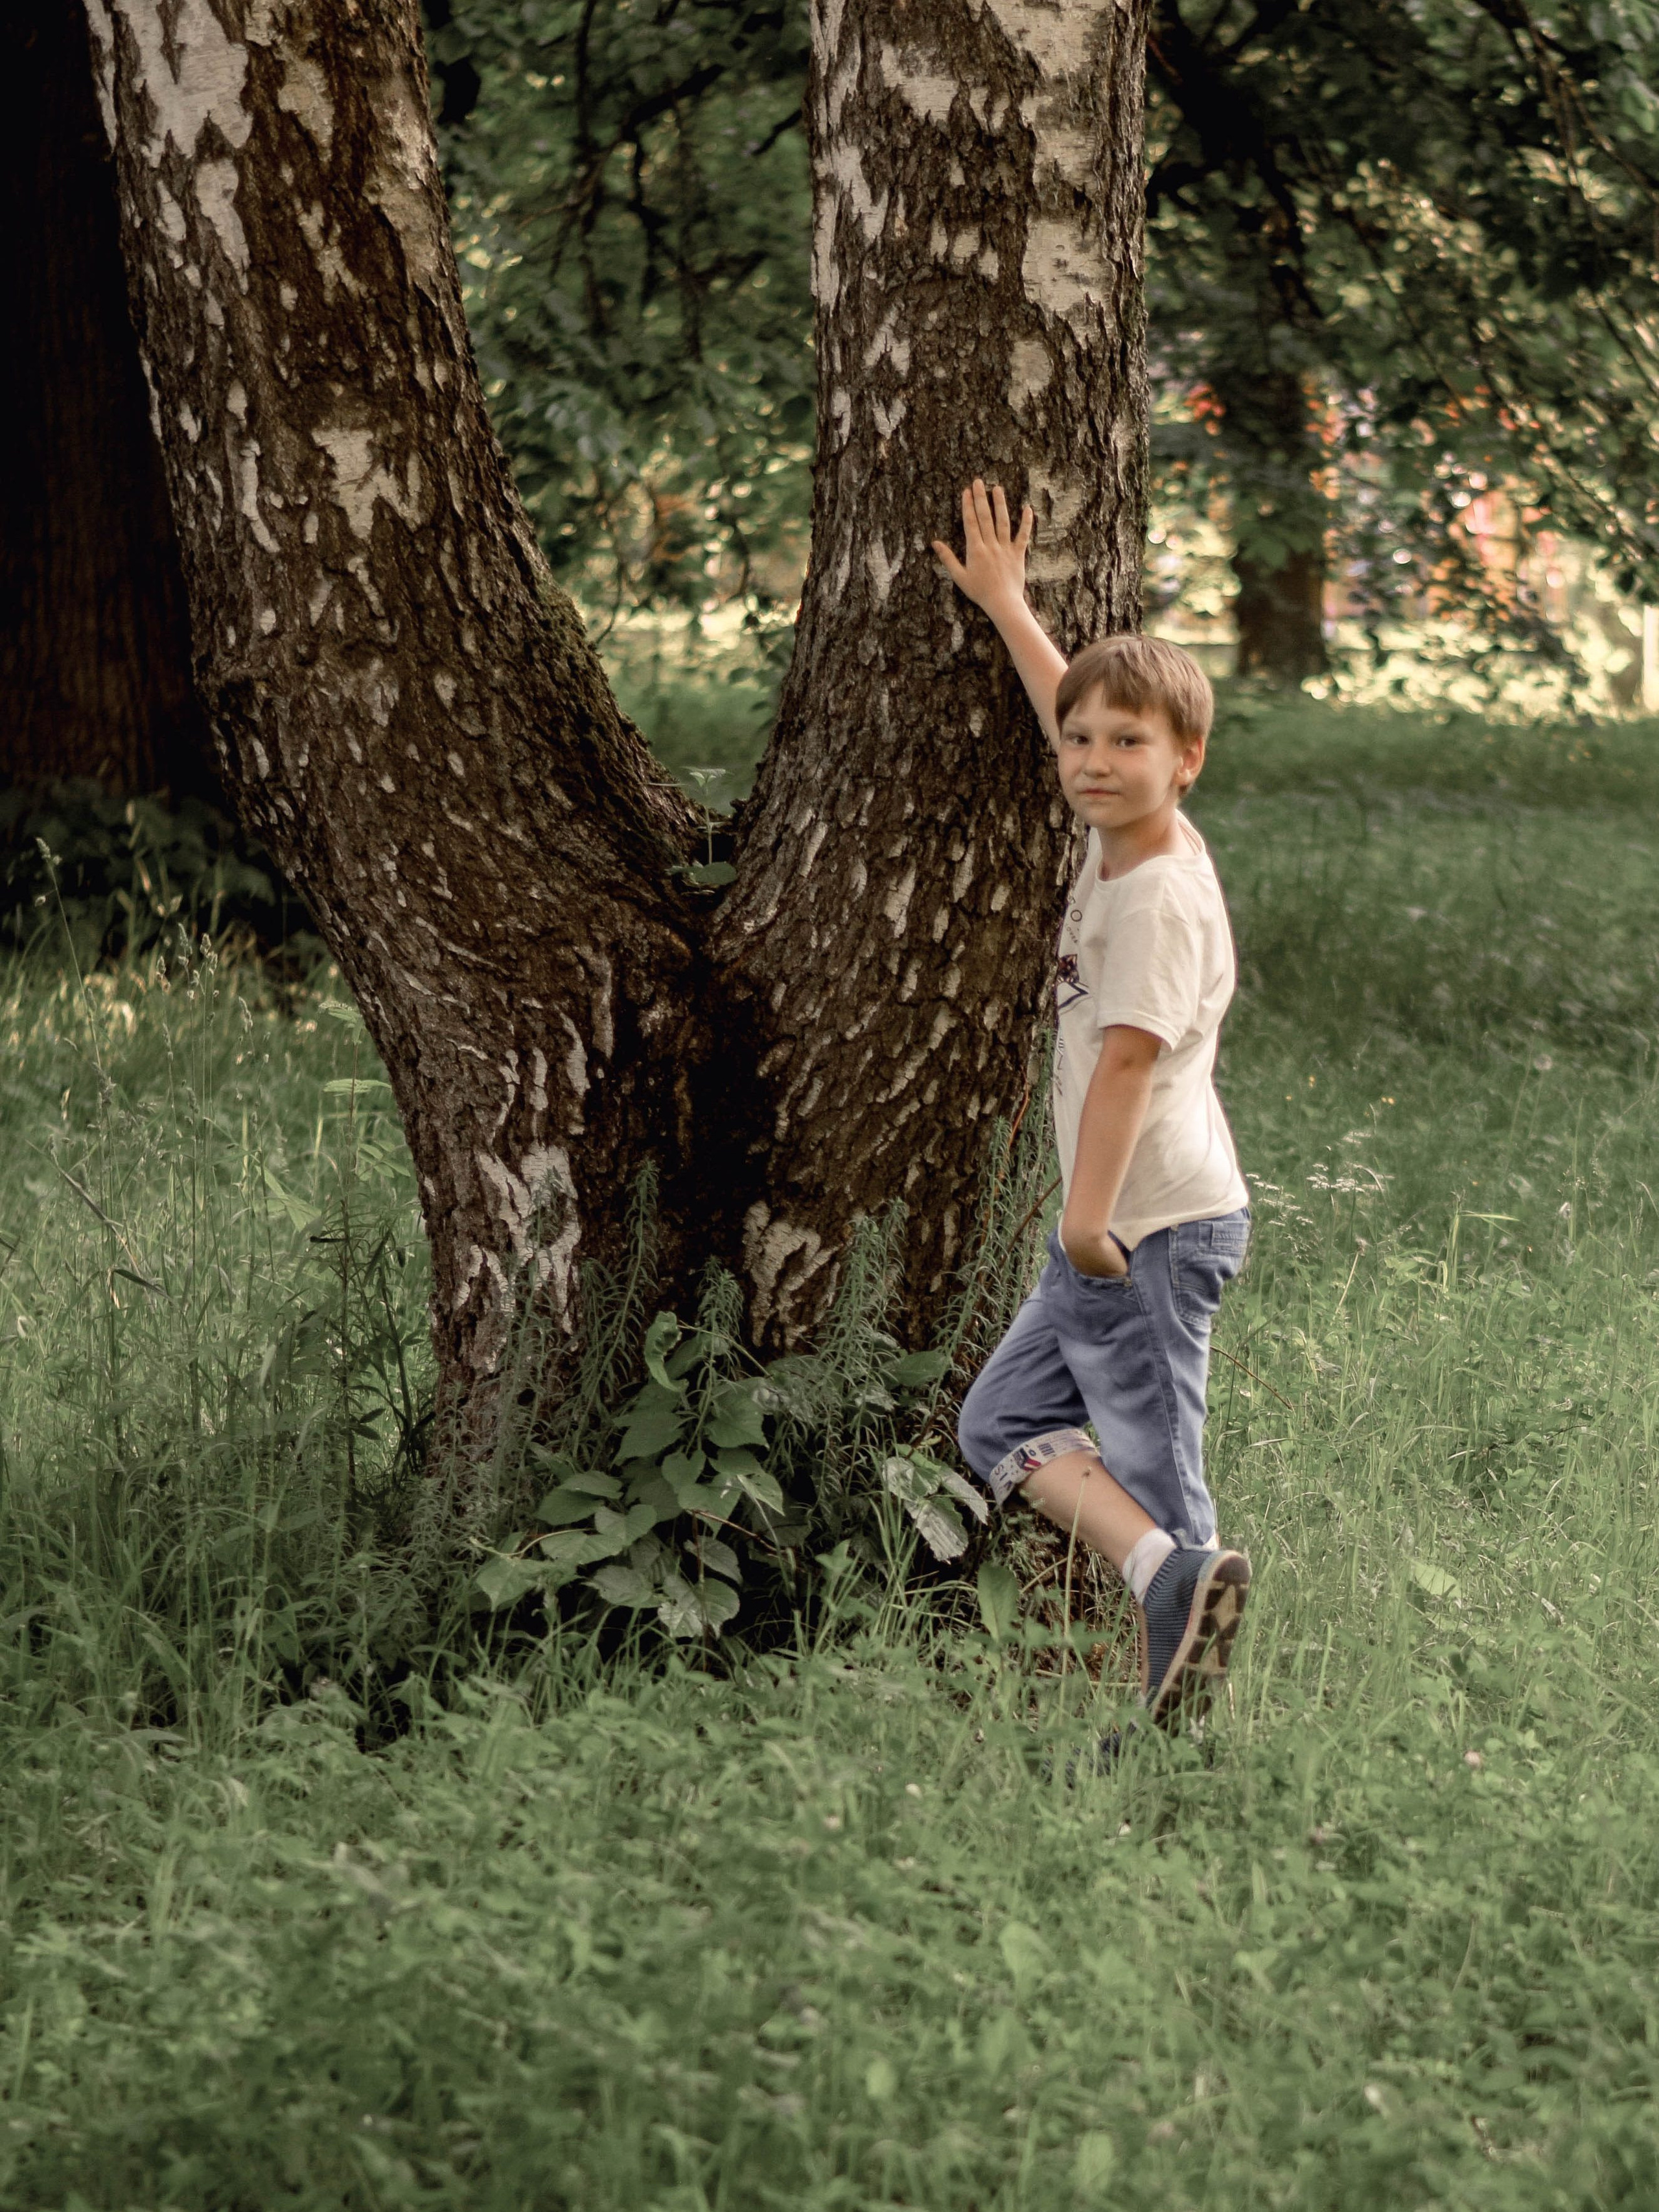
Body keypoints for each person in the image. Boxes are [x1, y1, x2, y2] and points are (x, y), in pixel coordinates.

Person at [934, 480, 1253, 1731]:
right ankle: (1169, 1581)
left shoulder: (1158, 898)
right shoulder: (1118, 836)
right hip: (1119, 1222)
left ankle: (1187, 1716)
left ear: (1189, 760)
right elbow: (1074, 695)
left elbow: (1124, 1065)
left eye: (1131, 745)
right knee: (1001, 1419)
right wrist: (1013, 607)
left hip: (1147, 1227)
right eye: (1081, 742)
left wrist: (1082, 1222)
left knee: (1162, 1465)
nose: (1095, 761)